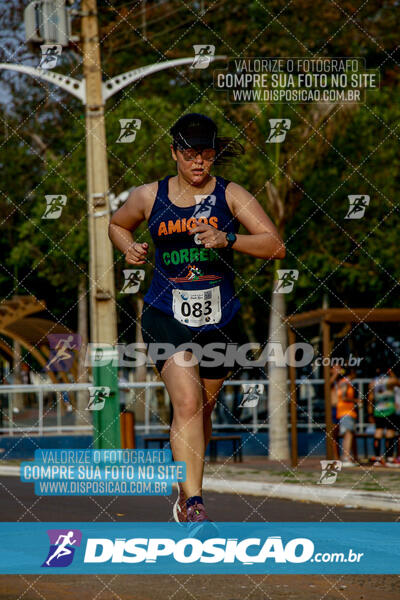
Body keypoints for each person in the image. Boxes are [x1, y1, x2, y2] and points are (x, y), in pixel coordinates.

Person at [109, 113, 285, 523]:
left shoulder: (231, 195)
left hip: (220, 319)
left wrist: (230, 238)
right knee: (186, 402)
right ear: (174, 153)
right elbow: (118, 224)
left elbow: (275, 245)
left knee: (200, 412)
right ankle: (194, 503)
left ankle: (184, 484)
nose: (199, 162)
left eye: (207, 154)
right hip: (165, 312)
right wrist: (128, 247)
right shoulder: (149, 196)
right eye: (190, 154)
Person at [367, 368, 400, 466]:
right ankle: (389, 458)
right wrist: (392, 373)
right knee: (390, 432)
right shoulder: (390, 381)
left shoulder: (373, 383)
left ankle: (377, 457)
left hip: (378, 410)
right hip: (389, 409)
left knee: (378, 431)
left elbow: (370, 398)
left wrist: (370, 413)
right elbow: (397, 383)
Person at [336, 367, 361, 466]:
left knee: (349, 434)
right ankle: (345, 457)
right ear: (352, 372)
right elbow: (344, 397)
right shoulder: (345, 382)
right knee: (348, 434)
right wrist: (356, 400)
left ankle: (346, 457)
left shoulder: (346, 382)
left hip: (347, 412)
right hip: (346, 412)